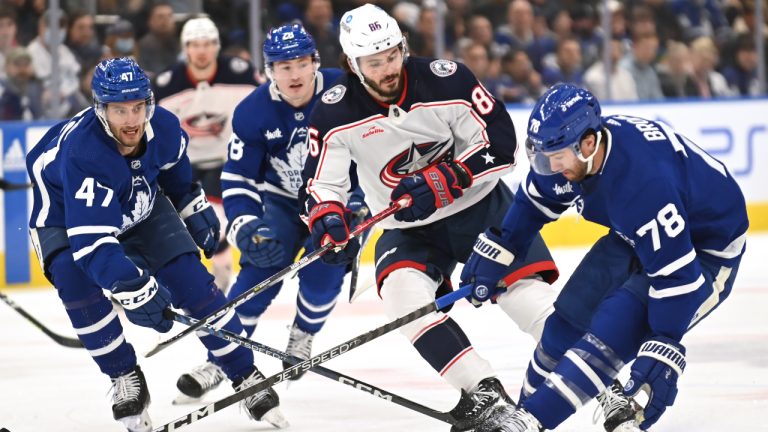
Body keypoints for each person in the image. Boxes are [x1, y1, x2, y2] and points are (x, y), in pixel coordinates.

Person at [300, 4, 560, 431]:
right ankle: (483, 391)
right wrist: (328, 219)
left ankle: (599, 382)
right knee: (405, 301)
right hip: (407, 226)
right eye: (373, 61)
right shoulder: (333, 111)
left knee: (524, 297)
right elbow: (321, 185)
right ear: (351, 64)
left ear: (403, 47)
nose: (387, 69)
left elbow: (502, 143)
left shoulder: (448, 79)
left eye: (392, 55)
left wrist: (451, 175)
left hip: (479, 208)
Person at [460, 83, 748, 431]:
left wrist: (665, 343)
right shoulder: (568, 153)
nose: (550, 167)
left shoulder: (644, 184)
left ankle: (529, 422)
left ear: (589, 144)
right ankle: (525, 414)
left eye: (558, 156)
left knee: (613, 330)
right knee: (563, 327)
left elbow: (678, 279)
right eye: (544, 156)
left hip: (703, 253)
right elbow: (535, 202)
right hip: (634, 234)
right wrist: (502, 246)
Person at [26, 57, 287, 432]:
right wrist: (133, 288)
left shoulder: (163, 125)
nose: (132, 120)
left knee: (194, 284)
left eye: (138, 107)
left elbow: (175, 174)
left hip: (139, 204)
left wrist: (192, 207)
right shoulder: (86, 153)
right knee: (76, 282)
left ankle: (244, 373)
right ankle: (123, 375)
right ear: (101, 110)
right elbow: (91, 243)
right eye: (119, 110)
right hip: (65, 218)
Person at [173, 23, 366, 400]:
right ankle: (223, 356)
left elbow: (376, 149)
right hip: (282, 200)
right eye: (282, 66)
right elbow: (238, 175)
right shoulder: (252, 111)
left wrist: (362, 199)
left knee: (325, 266)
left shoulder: (346, 93)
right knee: (262, 262)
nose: (293, 74)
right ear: (269, 70)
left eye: (300, 63)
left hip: (340, 200)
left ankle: (303, 333)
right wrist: (245, 223)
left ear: (315, 62)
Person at [154, 17, 258, 291]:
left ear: (217, 46)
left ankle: (221, 260)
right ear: (185, 48)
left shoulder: (241, 73)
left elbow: (267, 106)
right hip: (183, 163)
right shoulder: (166, 83)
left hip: (228, 159)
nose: (202, 51)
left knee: (213, 211)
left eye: (208, 44)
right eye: (195, 45)